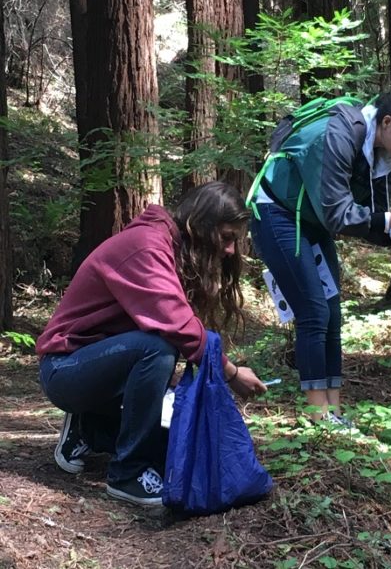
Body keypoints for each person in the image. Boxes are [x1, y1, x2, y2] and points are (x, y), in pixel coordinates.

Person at [37, 181, 267, 507]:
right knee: (157, 348)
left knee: (168, 449)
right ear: (201, 224)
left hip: (98, 366)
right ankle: (127, 475)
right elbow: (177, 325)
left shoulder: (170, 249)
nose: (230, 249)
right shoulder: (146, 247)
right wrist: (230, 373)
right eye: (227, 237)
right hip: (65, 368)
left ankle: (89, 427)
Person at [249, 89, 391, 426]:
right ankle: (317, 414)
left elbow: (373, 214)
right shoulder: (337, 135)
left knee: (332, 314)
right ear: (386, 122)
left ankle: (335, 411)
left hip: (312, 219)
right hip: (277, 213)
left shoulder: (383, 155)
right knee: (313, 311)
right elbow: (339, 214)